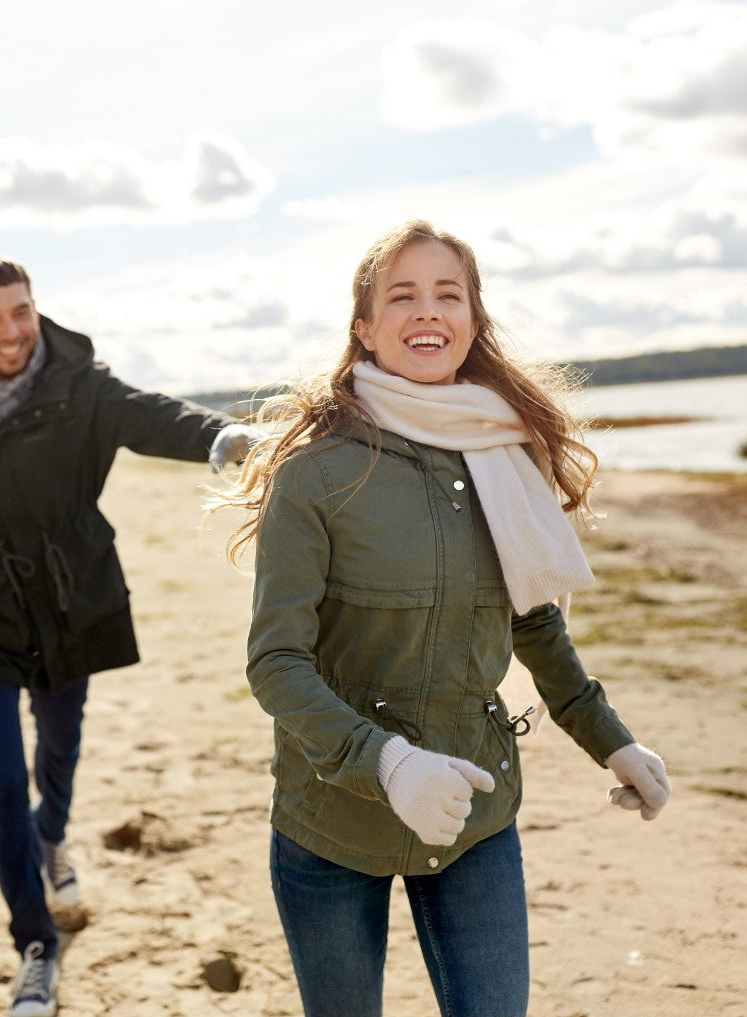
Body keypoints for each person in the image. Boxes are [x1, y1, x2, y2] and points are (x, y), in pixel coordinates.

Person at [214, 220, 670, 1017]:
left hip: (476, 809)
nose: (427, 311)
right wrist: (389, 763)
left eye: (446, 294)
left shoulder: (504, 454)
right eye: (403, 295)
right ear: (365, 326)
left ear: (472, 319)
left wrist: (613, 740)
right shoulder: (315, 475)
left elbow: (533, 622)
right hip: (332, 817)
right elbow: (276, 664)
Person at [0, 254, 257, 1017]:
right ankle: (35, 944)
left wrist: (227, 435)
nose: (11, 331)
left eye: (21, 311)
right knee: (2, 782)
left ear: (35, 308)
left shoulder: (83, 386)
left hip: (69, 602)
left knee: (59, 748)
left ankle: (53, 838)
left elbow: (155, 416)